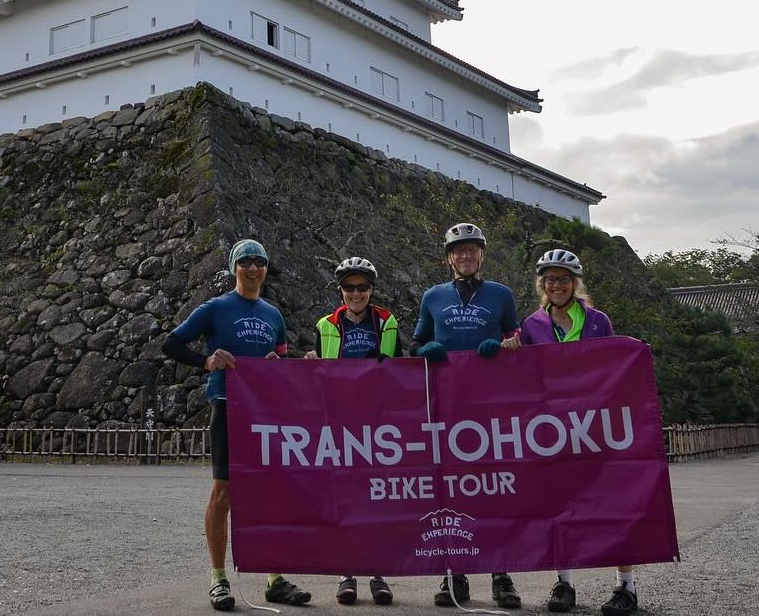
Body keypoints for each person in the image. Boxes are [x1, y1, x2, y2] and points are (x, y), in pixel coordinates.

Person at [162, 239, 312, 612]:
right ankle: (218, 578)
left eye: (259, 262)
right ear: (234, 268)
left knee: (270, 494)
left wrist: (282, 366)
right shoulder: (215, 308)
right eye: (244, 261)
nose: (252, 268)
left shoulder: (273, 315)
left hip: (265, 414)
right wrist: (206, 360)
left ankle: (274, 578)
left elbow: (280, 359)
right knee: (223, 492)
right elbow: (171, 344)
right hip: (227, 406)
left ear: (265, 269)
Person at [520, 249, 637, 616]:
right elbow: (522, 376)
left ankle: (626, 587)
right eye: (550, 280)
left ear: (575, 284)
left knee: (612, 505)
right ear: (542, 284)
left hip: (594, 426)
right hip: (552, 428)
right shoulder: (531, 326)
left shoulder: (597, 321)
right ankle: (564, 583)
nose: (556, 285)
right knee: (559, 506)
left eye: (564, 279)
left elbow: (614, 368)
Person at [412, 222, 522, 610]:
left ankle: (501, 573)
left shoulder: (501, 295)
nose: (465, 256)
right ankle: (453, 572)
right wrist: (427, 350)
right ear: (449, 258)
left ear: (482, 255)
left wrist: (506, 345)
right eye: (458, 251)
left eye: (472, 249)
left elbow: (519, 340)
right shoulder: (432, 296)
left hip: (490, 406)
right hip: (447, 405)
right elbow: (418, 339)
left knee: (492, 488)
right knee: (451, 489)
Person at [304, 256, 401, 606]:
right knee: (343, 497)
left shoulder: (387, 321)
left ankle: (379, 572)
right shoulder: (325, 324)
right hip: (339, 421)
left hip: (376, 423)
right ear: (341, 291)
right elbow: (321, 371)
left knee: (376, 498)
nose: (356, 293)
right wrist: (312, 363)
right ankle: (347, 572)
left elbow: (392, 369)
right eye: (349, 287)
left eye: (362, 287)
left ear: (372, 290)